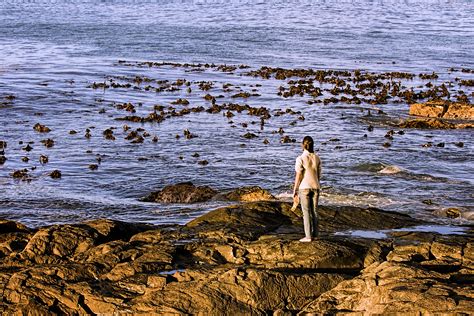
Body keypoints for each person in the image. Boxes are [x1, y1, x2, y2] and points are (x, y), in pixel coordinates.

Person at [293, 136, 321, 242]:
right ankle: (316, 235)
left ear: (302, 145)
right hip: (316, 187)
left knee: (306, 212)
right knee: (314, 211)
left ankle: (308, 237)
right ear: (313, 145)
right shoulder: (317, 158)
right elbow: (319, 175)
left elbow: (298, 176)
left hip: (304, 187)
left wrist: (295, 190)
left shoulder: (300, 158)